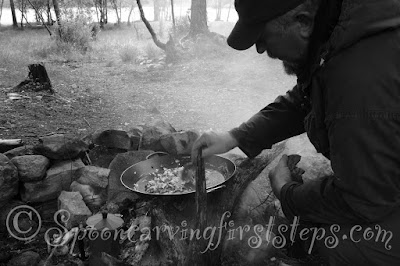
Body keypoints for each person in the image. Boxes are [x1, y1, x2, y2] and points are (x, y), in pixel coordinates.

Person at [191, 0, 400, 264]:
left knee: (329, 242)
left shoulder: (360, 78)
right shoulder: (341, 34)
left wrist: (286, 192)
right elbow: (305, 100)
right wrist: (234, 137)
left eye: (263, 36)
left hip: (379, 197)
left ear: (302, 22)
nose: (260, 48)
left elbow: (364, 200)